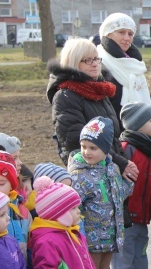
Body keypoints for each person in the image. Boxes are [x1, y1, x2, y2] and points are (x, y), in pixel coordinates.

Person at [68, 117, 132, 269]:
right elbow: (74, 207)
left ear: (106, 149)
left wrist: (128, 182)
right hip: (91, 240)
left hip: (110, 237)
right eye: (84, 146)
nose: (87, 152)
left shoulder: (111, 168)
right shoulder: (79, 174)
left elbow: (118, 197)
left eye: (93, 147)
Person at [47, 38, 138, 180]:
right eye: (87, 60)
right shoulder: (65, 97)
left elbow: (113, 136)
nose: (95, 64)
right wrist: (120, 162)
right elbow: (77, 141)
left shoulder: (99, 91)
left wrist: (123, 161)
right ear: (73, 62)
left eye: (96, 59)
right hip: (89, 176)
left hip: (111, 170)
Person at [108, 102, 151, 269]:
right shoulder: (126, 149)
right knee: (123, 259)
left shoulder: (150, 149)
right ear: (137, 124)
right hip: (126, 217)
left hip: (143, 217)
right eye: (150, 120)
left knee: (140, 258)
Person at [96, 13, 151, 119]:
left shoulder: (136, 65)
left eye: (130, 34)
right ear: (107, 34)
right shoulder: (98, 64)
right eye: (121, 32)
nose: (127, 38)